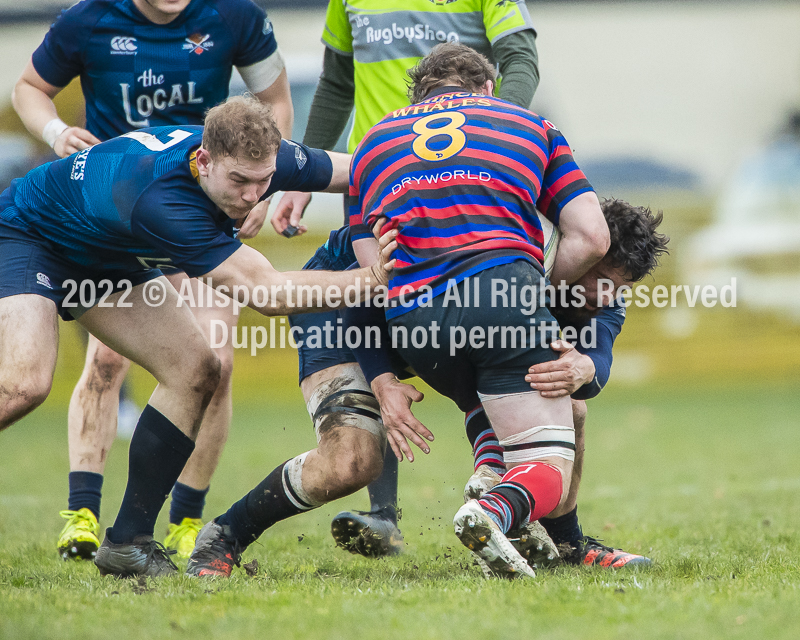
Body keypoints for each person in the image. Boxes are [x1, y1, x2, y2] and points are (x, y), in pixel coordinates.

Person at [184, 44, 608, 578]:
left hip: (408, 309)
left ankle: (551, 536)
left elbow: (388, 276)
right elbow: (369, 281)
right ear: (488, 92)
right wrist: (382, 377)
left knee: (552, 399)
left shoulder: (375, 144)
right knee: (351, 461)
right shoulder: (530, 139)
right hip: (338, 301)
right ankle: (225, 533)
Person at [0, 96, 395, 578]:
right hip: (33, 234)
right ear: (204, 162)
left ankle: (127, 544)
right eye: (240, 183)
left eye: (264, 182)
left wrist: (453, 169)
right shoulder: (163, 201)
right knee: (25, 384)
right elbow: (266, 294)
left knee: (195, 370)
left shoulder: (257, 156)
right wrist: (376, 279)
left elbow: (364, 169)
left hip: (110, 253)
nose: (253, 197)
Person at [11, 0, 294, 561]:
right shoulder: (88, 19)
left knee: (217, 363)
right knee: (107, 361)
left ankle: (186, 520)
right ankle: (82, 514)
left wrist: (267, 185)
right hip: (117, 221)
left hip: (203, 214)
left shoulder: (235, 17)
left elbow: (278, 102)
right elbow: (27, 87)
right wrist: (56, 129)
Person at [268, 0, 542, 553]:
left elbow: (521, 57)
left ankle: (513, 502)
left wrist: (495, 134)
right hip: (382, 176)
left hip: (462, 183)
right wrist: (302, 170)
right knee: (370, 309)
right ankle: (384, 514)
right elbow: (336, 85)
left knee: (483, 335)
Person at [461, 198, 669, 569]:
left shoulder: (607, 302)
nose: (606, 297)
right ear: (581, 252)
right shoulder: (525, 262)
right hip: (439, 344)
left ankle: (563, 541)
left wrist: (585, 368)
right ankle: (494, 478)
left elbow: (599, 360)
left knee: (574, 407)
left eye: (619, 288)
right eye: (603, 281)